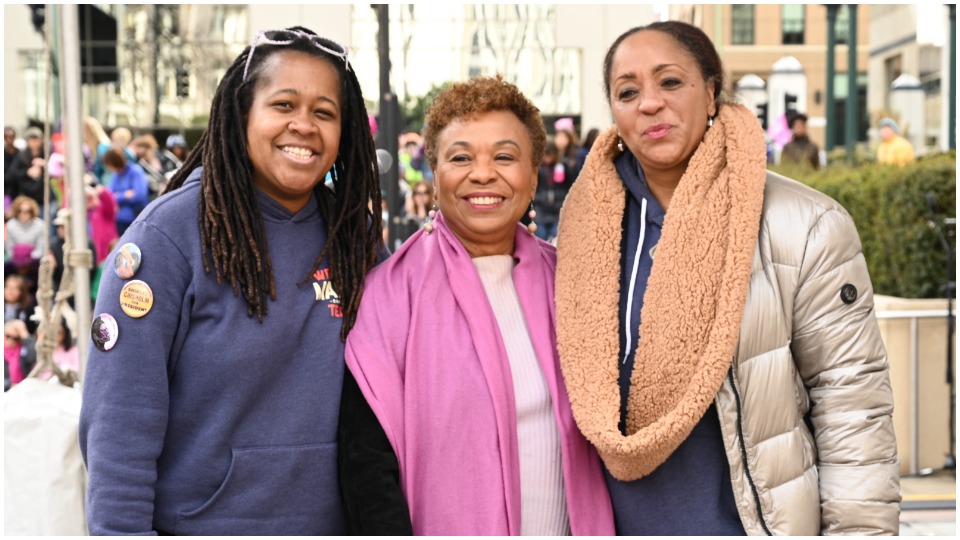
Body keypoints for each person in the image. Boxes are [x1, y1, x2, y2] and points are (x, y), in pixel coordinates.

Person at [554, 21, 899, 535]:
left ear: (712, 92)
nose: (650, 103)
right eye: (628, 92)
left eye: (670, 82)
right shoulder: (582, 232)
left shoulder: (804, 225)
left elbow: (852, 407)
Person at [79, 26, 383, 535]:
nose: (304, 125)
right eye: (283, 104)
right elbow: (119, 428)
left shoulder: (357, 239)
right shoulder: (166, 240)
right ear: (243, 114)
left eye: (324, 112)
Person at [339, 75, 614, 536]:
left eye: (504, 157)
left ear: (533, 174)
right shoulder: (388, 296)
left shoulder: (572, 282)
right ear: (434, 173)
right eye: (461, 157)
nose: (483, 173)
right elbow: (367, 469)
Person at [103, 147, 149, 236]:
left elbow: (139, 195)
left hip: (136, 218)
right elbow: (109, 197)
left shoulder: (135, 171)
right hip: (119, 221)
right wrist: (125, 195)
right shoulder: (116, 175)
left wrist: (118, 196)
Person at [3, 319, 36, 391]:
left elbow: (33, 357)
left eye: (15, 338)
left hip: (23, 390)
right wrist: (10, 385)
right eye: (8, 336)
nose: (11, 340)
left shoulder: (23, 349)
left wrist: (25, 334)